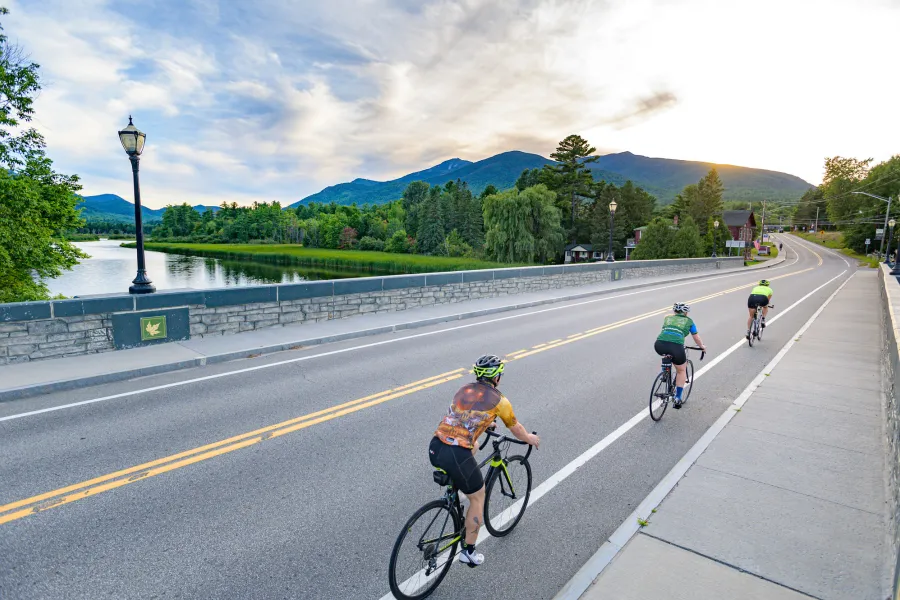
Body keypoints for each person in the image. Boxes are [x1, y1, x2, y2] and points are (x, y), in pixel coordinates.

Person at [429, 355, 539, 567]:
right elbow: (516, 429)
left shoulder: (464, 390)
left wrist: (485, 423)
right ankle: (469, 552)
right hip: (456, 454)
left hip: (435, 447)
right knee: (478, 497)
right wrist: (530, 439)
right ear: (496, 377)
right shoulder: (500, 400)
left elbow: (462, 416)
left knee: (475, 445)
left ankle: (458, 491)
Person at [654, 303, 707, 408]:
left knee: (667, 353)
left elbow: (667, 320)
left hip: (659, 344)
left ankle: (665, 370)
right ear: (686, 313)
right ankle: (678, 398)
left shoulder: (667, 318)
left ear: (674, 312)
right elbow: (696, 337)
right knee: (681, 370)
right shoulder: (689, 321)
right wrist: (702, 346)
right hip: (676, 346)